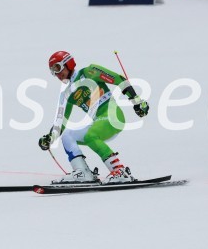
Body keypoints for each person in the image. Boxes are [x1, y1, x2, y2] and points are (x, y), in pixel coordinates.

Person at [38, 51, 150, 184]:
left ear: (68, 63)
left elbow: (119, 79)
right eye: (52, 71)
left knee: (90, 135)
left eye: (57, 68)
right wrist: (50, 138)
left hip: (112, 116)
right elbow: (60, 123)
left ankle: (119, 171)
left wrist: (136, 101)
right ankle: (82, 172)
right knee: (68, 136)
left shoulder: (90, 72)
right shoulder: (66, 94)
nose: (56, 74)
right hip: (99, 123)